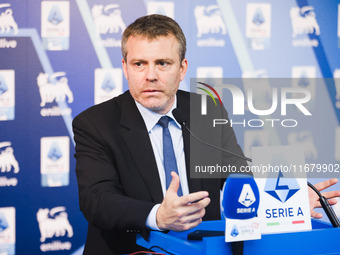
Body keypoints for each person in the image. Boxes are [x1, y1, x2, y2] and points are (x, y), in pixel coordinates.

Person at [73, 14, 340, 255]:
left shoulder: (206, 109)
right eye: (139, 64)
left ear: (182, 68)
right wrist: (158, 216)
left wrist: (285, 202)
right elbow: (97, 200)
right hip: (130, 250)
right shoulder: (95, 123)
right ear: (125, 67)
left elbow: (237, 173)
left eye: (163, 63)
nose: (150, 75)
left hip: (206, 248)